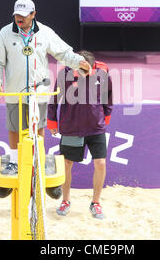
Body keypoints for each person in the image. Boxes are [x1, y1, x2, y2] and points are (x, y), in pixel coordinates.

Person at [0, 0, 91, 198]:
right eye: (16, 15)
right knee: (14, 128)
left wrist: (80, 62)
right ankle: (13, 164)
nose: (19, 18)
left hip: (39, 91)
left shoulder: (45, 32)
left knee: (39, 129)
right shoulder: (4, 32)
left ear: (33, 14)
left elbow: (63, 53)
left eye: (23, 15)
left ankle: (41, 168)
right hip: (15, 91)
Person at [47, 50, 113, 220]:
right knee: (67, 164)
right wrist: (52, 122)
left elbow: (108, 96)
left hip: (95, 126)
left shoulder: (102, 73)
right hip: (71, 127)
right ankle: (66, 200)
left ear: (92, 67)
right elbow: (54, 99)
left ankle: (96, 202)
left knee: (100, 163)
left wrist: (106, 115)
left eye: (86, 71)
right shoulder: (65, 74)